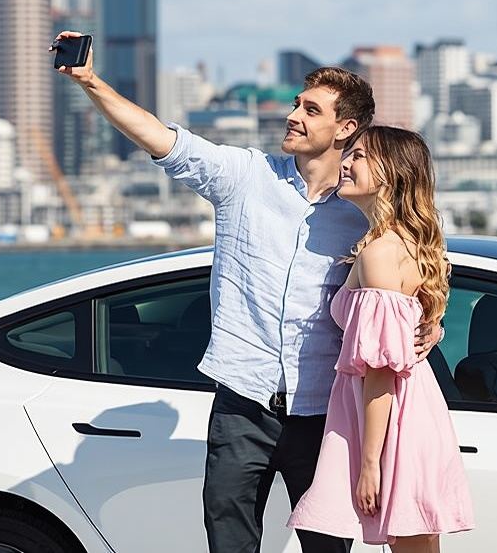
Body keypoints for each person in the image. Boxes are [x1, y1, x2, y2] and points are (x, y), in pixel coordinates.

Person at [52, 32, 436, 553]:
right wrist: (90, 81)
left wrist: (430, 320)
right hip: (242, 404)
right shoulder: (246, 177)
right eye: (296, 104)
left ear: (346, 128)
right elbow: (163, 139)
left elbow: (422, 258)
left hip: (326, 413)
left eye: (310, 109)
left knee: (329, 549)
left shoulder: (362, 208)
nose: (293, 115)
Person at [289, 126, 474, 551]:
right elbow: (409, 332)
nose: (346, 163)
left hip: (392, 417)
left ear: (391, 174)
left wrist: (370, 462)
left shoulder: (380, 254)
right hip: (413, 407)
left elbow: (379, 369)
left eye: (359, 156)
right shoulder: (407, 244)